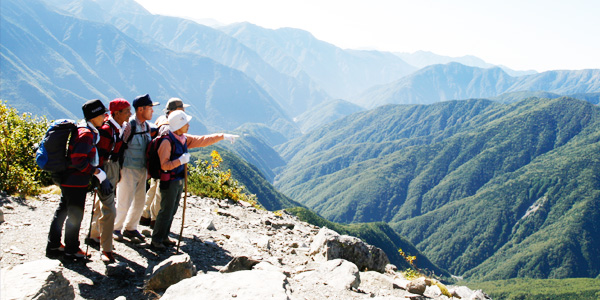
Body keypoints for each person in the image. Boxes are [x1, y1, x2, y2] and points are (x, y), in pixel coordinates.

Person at [150, 111, 238, 250]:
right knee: (166, 210)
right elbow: (164, 165)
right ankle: (156, 239)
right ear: (178, 125)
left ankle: (164, 236)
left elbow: (202, 140)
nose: (188, 125)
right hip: (169, 181)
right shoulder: (167, 141)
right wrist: (180, 161)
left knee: (172, 209)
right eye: (185, 123)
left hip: (178, 179)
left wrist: (222, 136)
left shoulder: (182, 138)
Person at [46, 99, 112, 260]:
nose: (105, 116)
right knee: (75, 215)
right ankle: (72, 249)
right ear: (94, 116)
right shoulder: (87, 134)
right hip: (76, 181)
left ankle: (53, 245)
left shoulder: (82, 129)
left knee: (62, 211)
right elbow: (78, 160)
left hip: (67, 178)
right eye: (103, 113)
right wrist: (96, 172)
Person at [86, 98, 131, 263]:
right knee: (110, 209)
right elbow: (99, 156)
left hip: (112, 168)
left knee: (103, 205)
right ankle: (106, 248)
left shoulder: (117, 128)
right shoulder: (107, 130)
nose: (130, 114)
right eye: (127, 111)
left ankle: (94, 235)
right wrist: (101, 177)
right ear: (117, 113)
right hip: (104, 170)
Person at [113, 94, 158, 243]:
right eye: (150, 108)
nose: (152, 111)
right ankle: (115, 228)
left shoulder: (146, 126)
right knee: (124, 200)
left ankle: (131, 228)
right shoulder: (130, 126)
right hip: (128, 168)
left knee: (139, 201)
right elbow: (120, 145)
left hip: (142, 169)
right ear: (140, 109)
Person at [140, 97, 190, 228]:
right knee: (159, 194)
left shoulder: (161, 120)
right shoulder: (169, 127)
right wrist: (180, 161)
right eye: (182, 109)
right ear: (175, 111)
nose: (184, 111)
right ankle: (155, 222)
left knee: (152, 190)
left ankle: (145, 216)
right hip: (164, 168)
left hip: (154, 164)